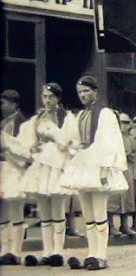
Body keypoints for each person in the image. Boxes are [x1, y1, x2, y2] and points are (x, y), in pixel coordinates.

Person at [60, 76, 128, 270]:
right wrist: (70, 150)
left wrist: (105, 168)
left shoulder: (105, 114)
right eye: (80, 92)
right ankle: (91, 253)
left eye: (86, 91)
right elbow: (76, 141)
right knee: (88, 215)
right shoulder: (81, 115)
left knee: (99, 213)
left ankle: (101, 255)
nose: (83, 95)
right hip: (84, 166)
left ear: (95, 92)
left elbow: (111, 141)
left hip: (98, 166)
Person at [19, 84, 77, 267]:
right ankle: (47, 251)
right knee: (44, 210)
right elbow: (28, 141)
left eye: (51, 97)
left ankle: (58, 251)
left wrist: (57, 139)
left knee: (58, 208)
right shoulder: (37, 119)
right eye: (45, 97)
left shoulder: (66, 117)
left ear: (58, 98)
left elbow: (72, 141)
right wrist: (32, 147)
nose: (47, 100)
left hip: (57, 164)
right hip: (41, 166)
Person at [0, 90, 31, 266]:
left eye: (4, 102)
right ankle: (4, 250)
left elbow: (24, 150)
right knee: (3, 212)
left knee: (16, 209)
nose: (2, 106)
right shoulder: (3, 122)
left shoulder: (22, 123)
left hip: (15, 168)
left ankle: (16, 251)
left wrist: (8, 148)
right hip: (3, 168)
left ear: (13, 103)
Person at [107, 113, 136, 238]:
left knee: (127, 198)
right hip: (114, 168)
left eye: (127, 123)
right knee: (113, 199)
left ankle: (125, 225)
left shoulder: (129, 138)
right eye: (122, 123)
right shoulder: (111, 136)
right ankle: (111, 225)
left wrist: (130, 155)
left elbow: (134, 152)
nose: (124, 126)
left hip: (126, 168)